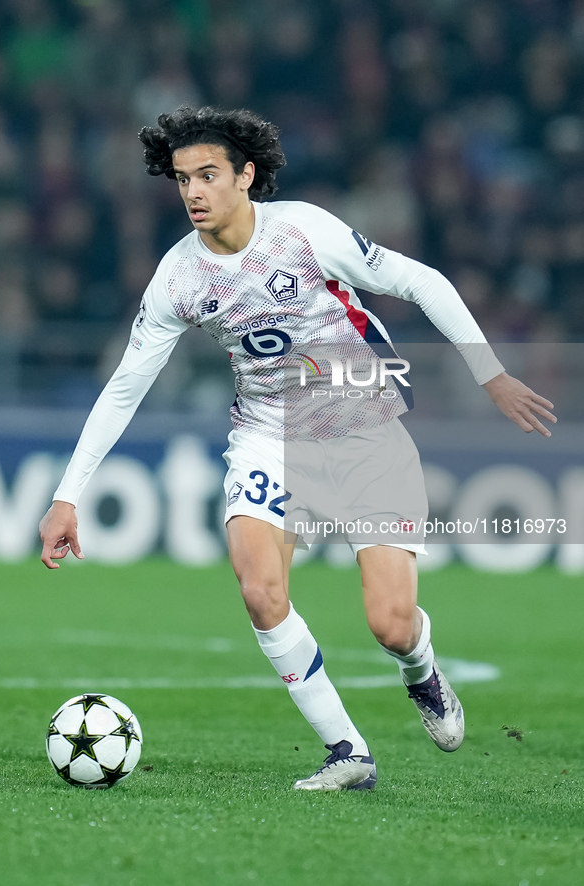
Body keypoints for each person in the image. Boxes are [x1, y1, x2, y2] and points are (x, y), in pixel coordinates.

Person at [39, 106, 556, 791]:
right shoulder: (177, 279)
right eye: (182, 179)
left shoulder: (304, 233)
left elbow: (419, 281)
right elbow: (126, 385)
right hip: (266, 436)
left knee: (390, 624)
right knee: (259, 591)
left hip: (364, 428)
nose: (192, 192)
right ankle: (347, 751)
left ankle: (421, 671)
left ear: (245, 176)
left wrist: (488, 374)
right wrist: (66, 495)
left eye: (208, 176)